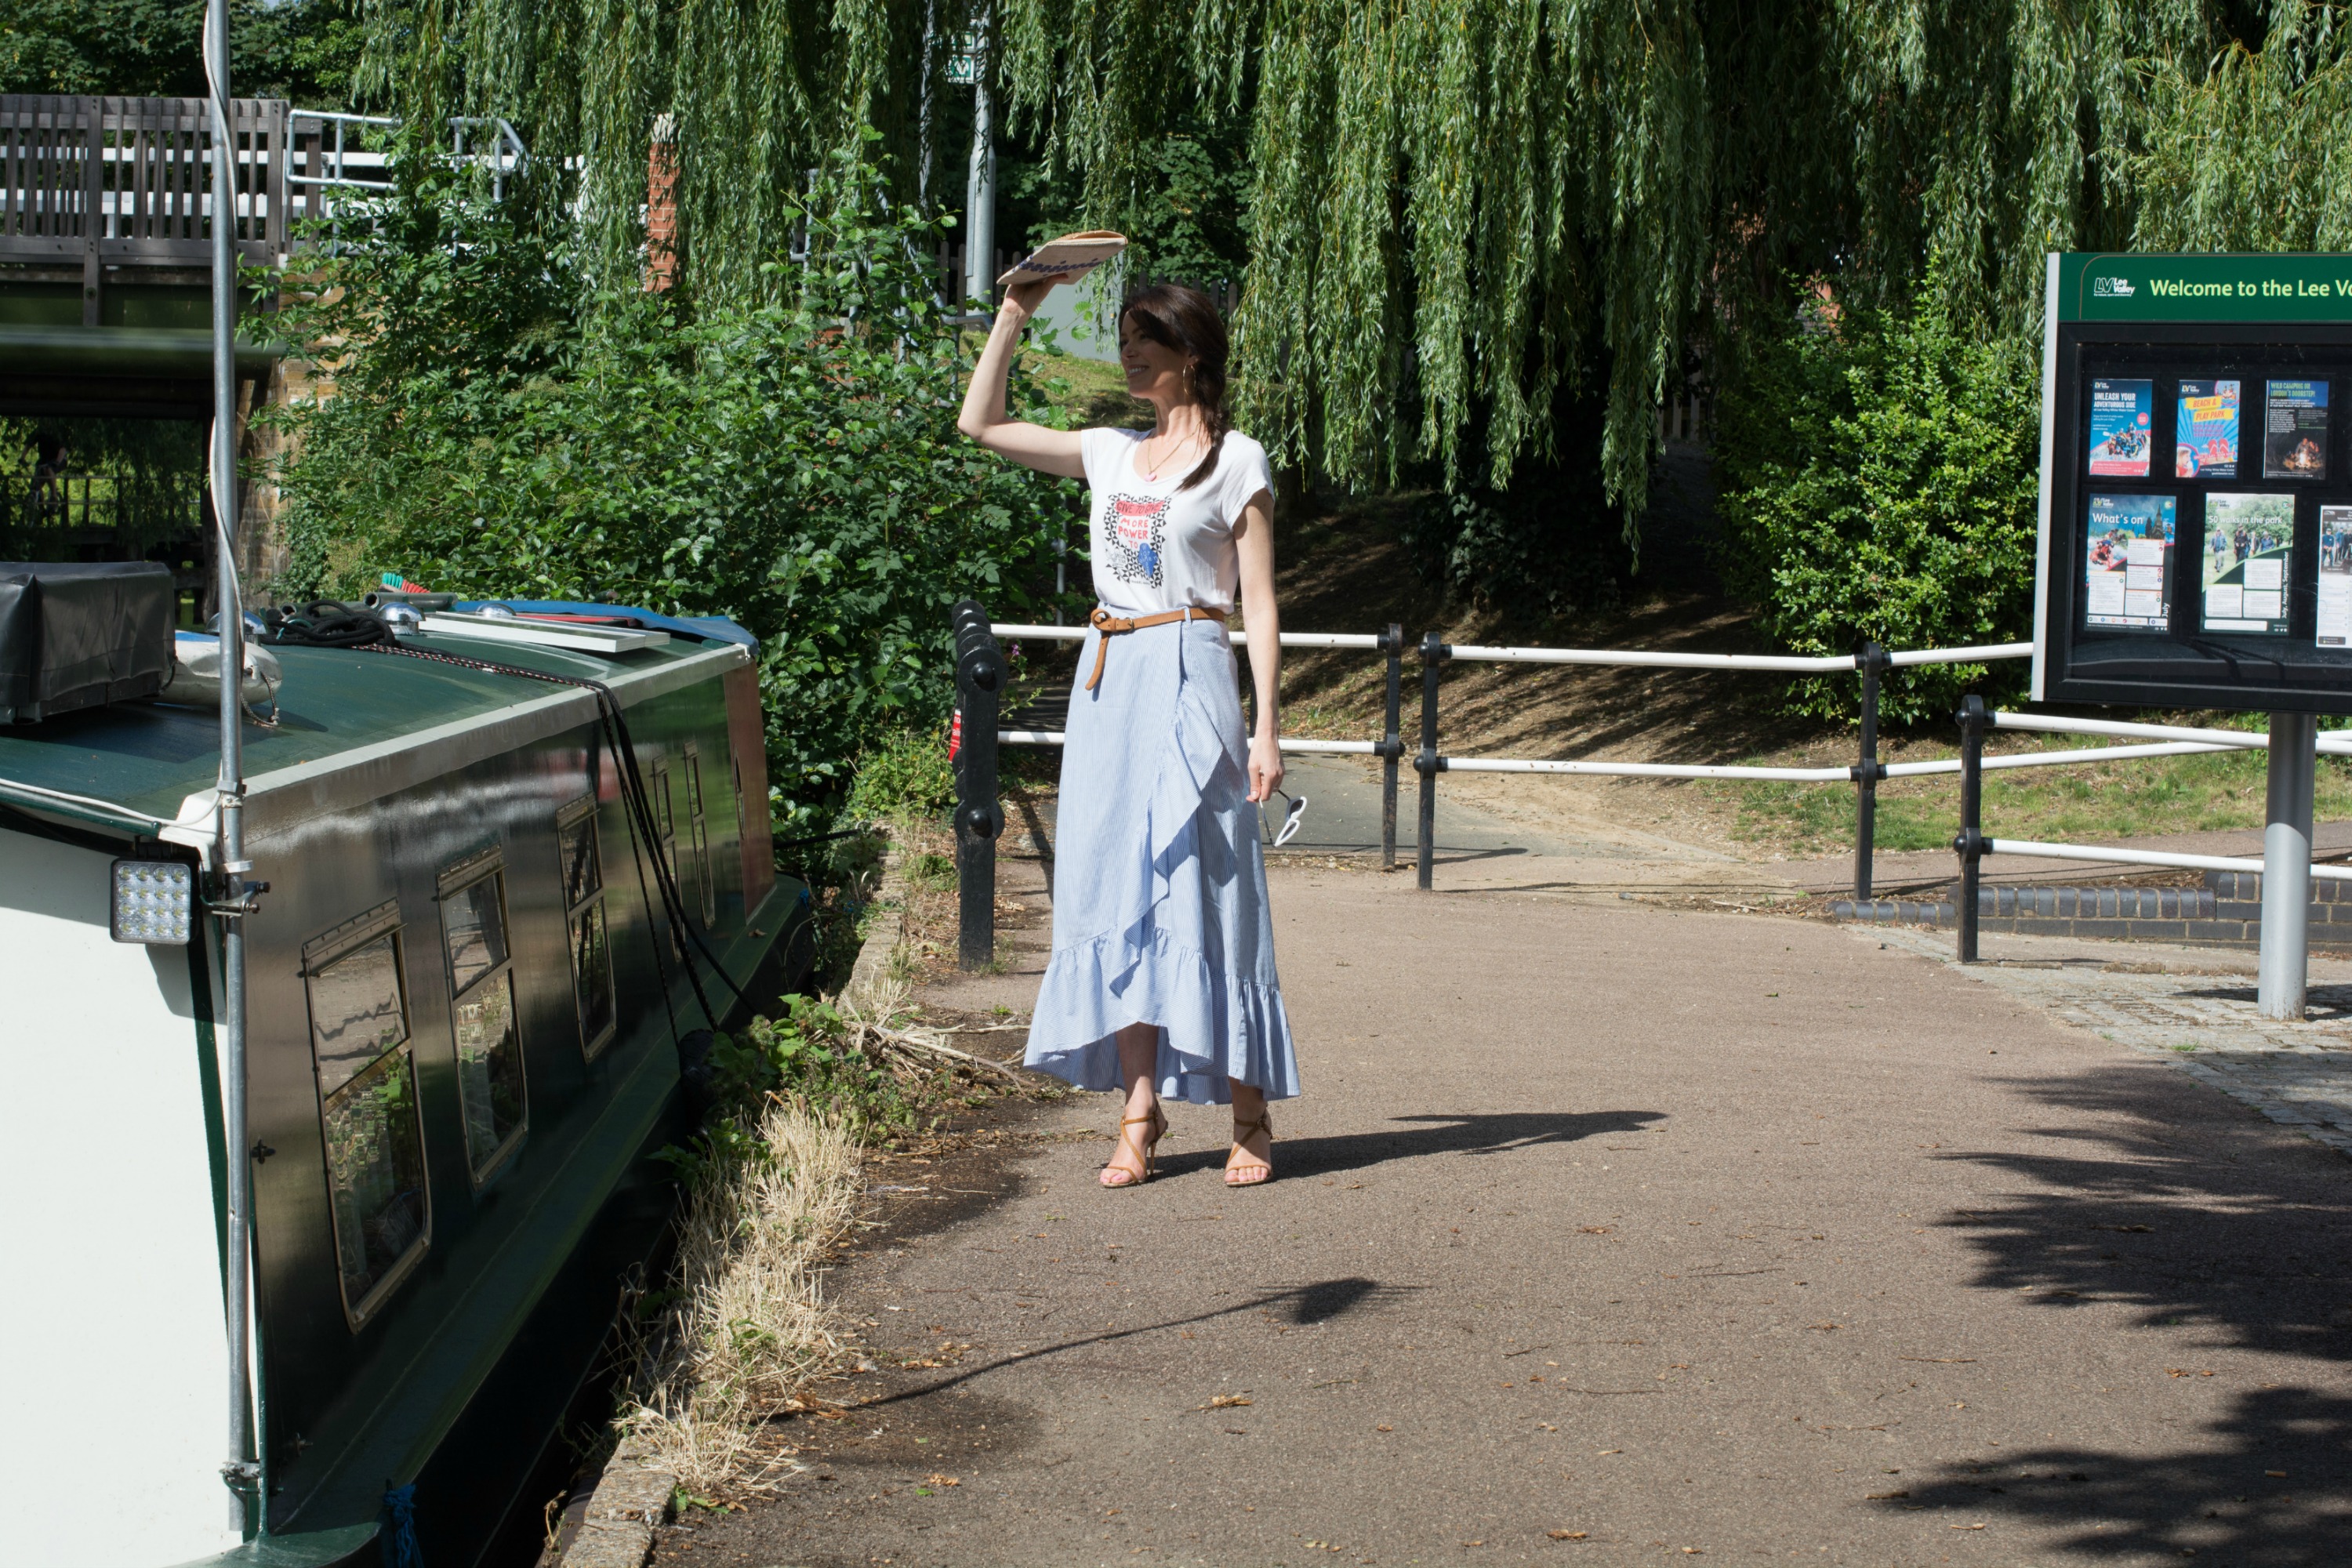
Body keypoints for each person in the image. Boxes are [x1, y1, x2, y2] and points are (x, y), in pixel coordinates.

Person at [957, 276, 1299, 1189]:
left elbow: (1259, 602)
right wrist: (1015, 311)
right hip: (1108, 682)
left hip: (1192, 669)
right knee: (1118, 894)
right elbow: (980, 423)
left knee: (1211, 889)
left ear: (1191, 351)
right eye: (1123, 338)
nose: (1129, 354)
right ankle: (1139, 1110)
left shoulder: (1239, 462)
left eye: (1146, 338)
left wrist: (1268, 725)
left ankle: (1249, 1109)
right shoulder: (1110, 452)